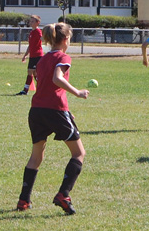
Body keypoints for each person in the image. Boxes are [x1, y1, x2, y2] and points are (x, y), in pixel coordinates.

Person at [16, 23, 90, 215]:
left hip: (37, 110)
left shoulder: (43, 59)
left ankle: (23, 200)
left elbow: (44, 84)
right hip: (53, 111)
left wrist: (66, 110)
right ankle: (63, 195)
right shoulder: (63, 57)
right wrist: (77, 92)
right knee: (79, 153)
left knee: (36, 156)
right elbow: (57, 79)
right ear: (65, 39)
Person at [17, 15, 43, 96]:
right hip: (32, 56)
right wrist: (25, 55)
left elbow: (42, 39)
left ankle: (25, 90)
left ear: (37, 23)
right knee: (35, 73)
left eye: (32, 21)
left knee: (30, 72)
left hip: (37, 56)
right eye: (30, 21)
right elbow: (30, 45)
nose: (30, 23)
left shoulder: (38, 32)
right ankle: (42, 89)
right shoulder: (31, 32)